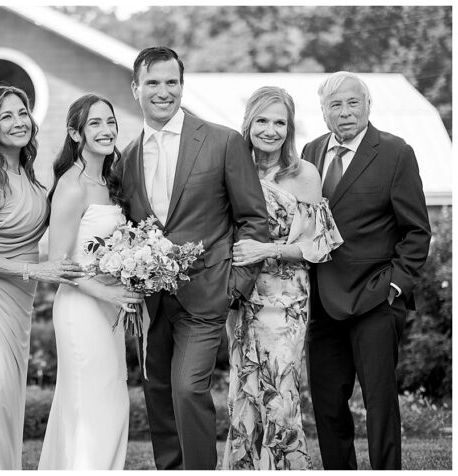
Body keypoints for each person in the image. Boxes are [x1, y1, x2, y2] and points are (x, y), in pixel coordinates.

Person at [110, 46, 269, 470]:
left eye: (172, 82)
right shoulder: (125, 157)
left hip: (206, 295)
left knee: (187, 388)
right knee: (158, 393)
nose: (164, 92)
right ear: (135, 89)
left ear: (182, 85)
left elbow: (253, 219)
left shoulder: (222, 141)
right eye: (153, 83)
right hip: (152, 301)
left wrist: (234, 286)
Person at [302, 72, 431, 470]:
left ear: (368, 105)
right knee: (327, 404)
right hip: (322, 300)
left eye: (352, 103)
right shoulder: (310, 152)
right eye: (335, 105)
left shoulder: (395, 152)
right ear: (323, 111)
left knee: (379, 402)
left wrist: (394, 285)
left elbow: (416, 230)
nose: (344, 112)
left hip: (375, 297)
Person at [0, 85, 83, 470]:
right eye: (6, 116)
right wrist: (36, 269)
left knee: (9, 399)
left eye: (22, 113)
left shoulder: (26, 175)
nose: (18, 122)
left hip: (18, 303)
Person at [223, 86, 343, 470]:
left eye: (280, 122)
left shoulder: (302, 173)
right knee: (243, 392)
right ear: (248, 123)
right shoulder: (232, 168)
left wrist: (267, 249)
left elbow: (319, 245)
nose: (270, 130)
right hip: (242, 297)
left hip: (285, 299)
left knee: (280, 393)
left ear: (290, 128)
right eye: (262, 120)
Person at [38, 93, 144, 470]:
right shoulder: (73, 185)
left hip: (109, 308)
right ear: (75, 132)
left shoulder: (112, 180)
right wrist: (105, 291)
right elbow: (57, 264)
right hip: (81, 309)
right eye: (95, 123)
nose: (106, 130)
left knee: (111, 401)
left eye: (110, 122)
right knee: (91, 406)